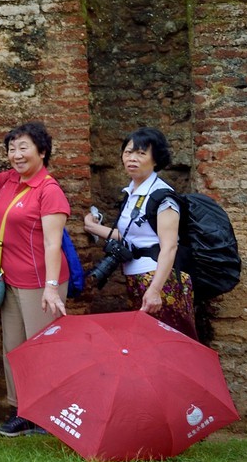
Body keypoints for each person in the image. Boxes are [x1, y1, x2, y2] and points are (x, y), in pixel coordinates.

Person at [0, 121, 70, 437]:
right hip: (11, 280)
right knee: (15, 348)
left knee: (42, 350)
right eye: (12, 149)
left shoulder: (49, 191)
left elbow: (53, 243)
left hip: (40, 282)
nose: (17, 155)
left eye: (24, 148)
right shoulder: (10, 180)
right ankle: (23, 411)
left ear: (42, 151)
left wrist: (51, 287)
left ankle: (48, 415)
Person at [82, 127, 197, 340]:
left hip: (160, 280)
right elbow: (131, 235)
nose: (132, 158)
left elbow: (169, 246)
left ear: (156, 159)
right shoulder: (132, 192)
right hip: (136, 278)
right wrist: (92, 227)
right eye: (128, 152)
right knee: (146, 343)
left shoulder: (162, 197)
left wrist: (155, 290)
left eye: (141, 153)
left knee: (168, 343)